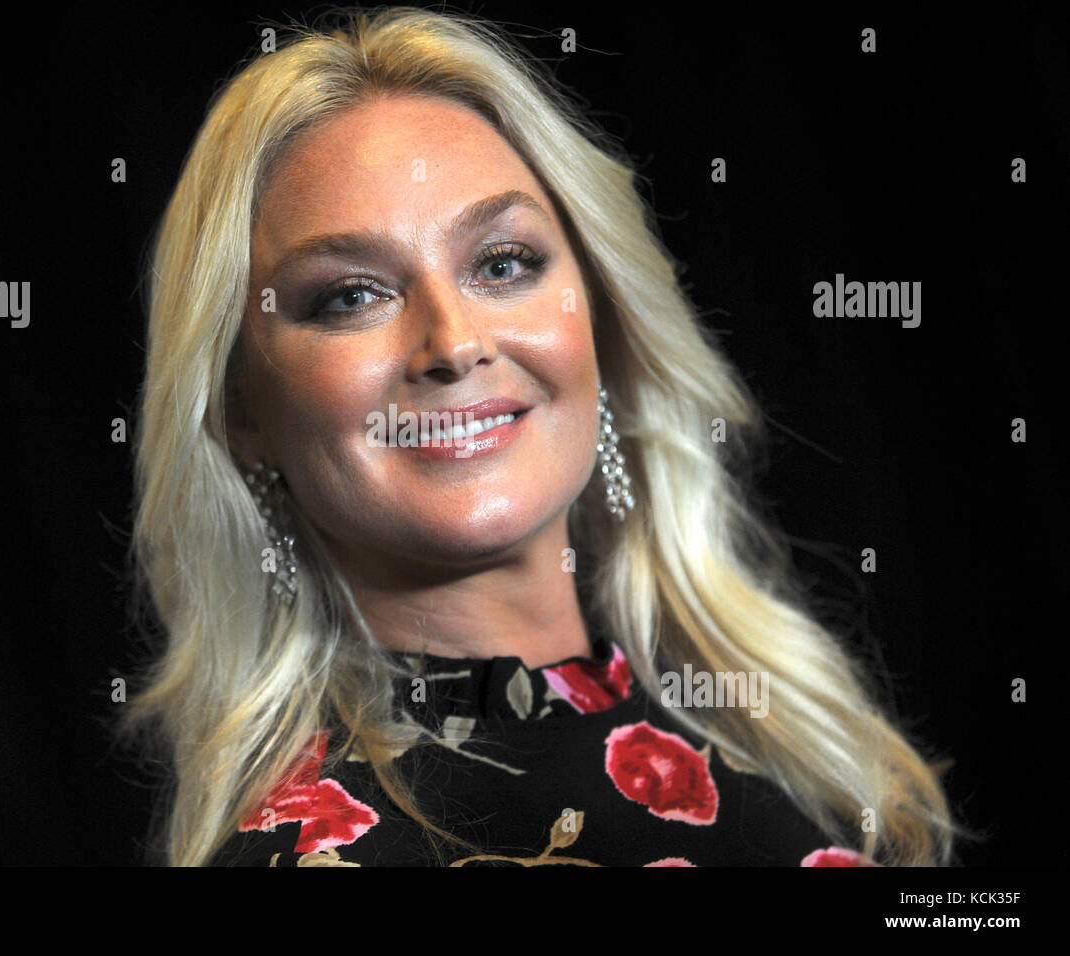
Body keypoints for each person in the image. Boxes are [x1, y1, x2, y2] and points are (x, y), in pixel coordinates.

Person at [118, 5, 964, 866]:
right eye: (351, 295)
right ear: (243, 414)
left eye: (501, 263)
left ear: (601, 311)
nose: (453, 343)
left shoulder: (784, 738)